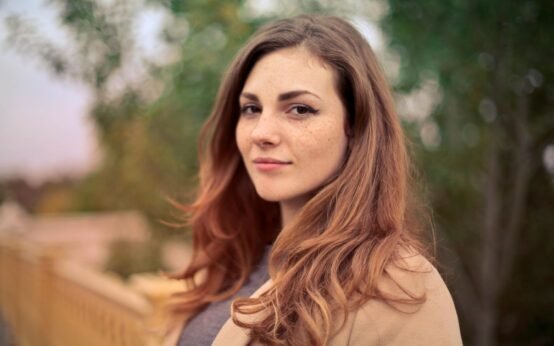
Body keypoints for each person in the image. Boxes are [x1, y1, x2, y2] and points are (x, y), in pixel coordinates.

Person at [169, 14, 462, 346]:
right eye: (251, 109)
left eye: (299, 110)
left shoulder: (402, 290)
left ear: (355, 127)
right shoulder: (236, 261)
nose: (262, 133)